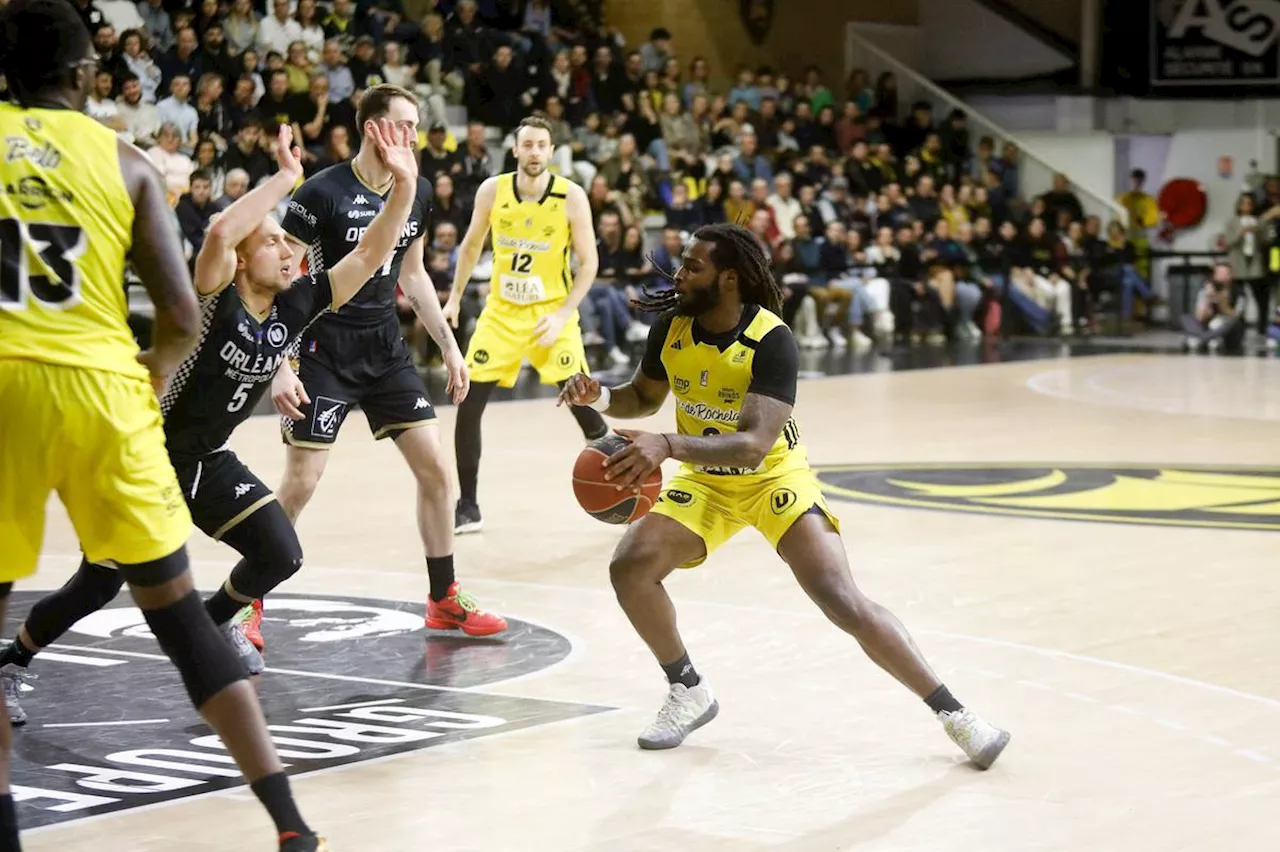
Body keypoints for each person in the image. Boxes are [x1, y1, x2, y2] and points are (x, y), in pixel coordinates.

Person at [0, 1, 326, 848]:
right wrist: (148, 375)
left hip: (5, 383)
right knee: (179, 619)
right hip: (108, 394)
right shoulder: (126, 161)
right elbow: (180, 316)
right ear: (84, 75)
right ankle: (290, 826)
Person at [1, 121, 418, 722]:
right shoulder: (213, 292)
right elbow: (222, 228)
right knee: (97, 584)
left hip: (207, 458)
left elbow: (373, 253)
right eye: (274, 241)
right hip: (146, 454)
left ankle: (214, 622)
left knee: (280, 553)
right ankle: (13, 663)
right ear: (244, 257)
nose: (288, 250)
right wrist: (285, 177)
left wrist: (402, 187)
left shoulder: (293, 306)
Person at [557, 223, 1011, 767]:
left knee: (840, 598)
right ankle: (688, 689)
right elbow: (643, 397)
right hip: (705, 479)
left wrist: (668, 444)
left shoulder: (771, 339)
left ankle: (957, 716)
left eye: (693, 266)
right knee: (630, 565)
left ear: (728, 279)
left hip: (773, 476)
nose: (679, 275)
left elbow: (752, 445)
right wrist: (601, 394)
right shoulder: (673, 327)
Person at [269, 83, 508, 637]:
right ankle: (246, 599)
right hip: (322, 348)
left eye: (416, 125)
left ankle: (443, 596)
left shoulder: (417, 189)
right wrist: (279, 361)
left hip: (384, 349)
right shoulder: (320, 192)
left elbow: (413, 272)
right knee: (301, 481)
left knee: (436, 471)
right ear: (372, 128)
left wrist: (450, 348)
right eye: (403, 124)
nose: (413, 136)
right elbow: (279, 278)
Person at [443, 115, 608, 534]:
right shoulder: (492, 190)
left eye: (542, 145)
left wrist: (563, 314)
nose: (534, 152)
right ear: (515, 150)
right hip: (501, 314)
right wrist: (455, 299)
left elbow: (589, 264)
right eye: (527, 145)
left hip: (552, 315)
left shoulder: (571, 197)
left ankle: (621, 492)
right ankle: (468, 505)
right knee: (468, 403)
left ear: (551, 152)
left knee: (583, 406)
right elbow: (470, 246)